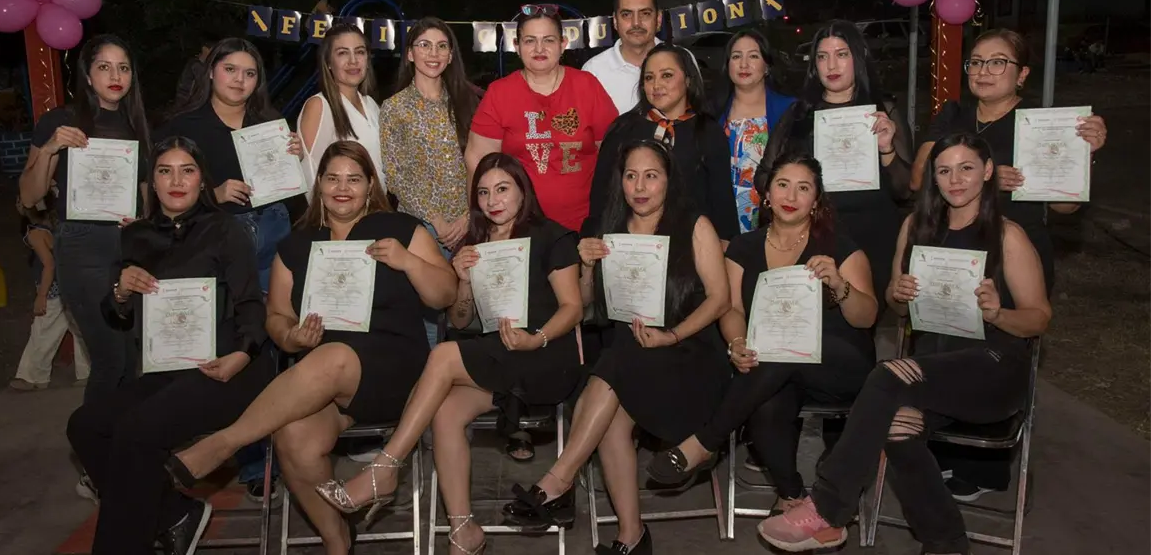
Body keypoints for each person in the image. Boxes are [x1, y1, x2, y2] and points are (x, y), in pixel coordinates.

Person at [756, 132, 1052, 555]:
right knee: (897, 426)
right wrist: (899, 291)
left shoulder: (1008, 236)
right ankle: (946, 543)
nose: (955, 179)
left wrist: (998, 313)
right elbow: (895, 305)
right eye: (944, 170)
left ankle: (827, 508)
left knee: (886, 376)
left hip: (992, 369)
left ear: (987, 172)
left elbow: (1039, 317)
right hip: (930, 371)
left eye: (966, 168)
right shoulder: (916, 228)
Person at [164, 141, 457, 555]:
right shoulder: (297, 245)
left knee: (334, 356)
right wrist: (291, 337)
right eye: (333, 178)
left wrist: (410, 262)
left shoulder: (401, 228)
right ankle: (338, 541)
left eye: (354, 179)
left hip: (396, 372)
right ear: (318, 184)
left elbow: (445, 295)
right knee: (293, 438)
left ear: (370, 184)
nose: (343, 188)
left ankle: (223, 443)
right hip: (322, 383)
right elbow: (277, 317)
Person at [315, 152, 584, 554]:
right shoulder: (477, 244)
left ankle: (385, 468)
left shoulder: (552, 236)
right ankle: (464, 531)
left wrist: (536, 338)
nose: (493, 200)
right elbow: (460, 320)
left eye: (503, 189)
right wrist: (461, 280)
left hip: (546, 356)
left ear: (522, 190)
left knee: (442, 356)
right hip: (499, 359)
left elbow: (573, 308)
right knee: (444, 410)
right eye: (483, 192)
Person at [504, 140, 731, 555]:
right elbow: (589, 304)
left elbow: (721, 299)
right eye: (631, 176)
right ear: (620, 182)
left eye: (651, 175)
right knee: (613, 396)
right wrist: (587, 266)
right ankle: (631, 538)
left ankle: (558, 480)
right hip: (633, 359)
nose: (639, 186)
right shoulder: (608, 225)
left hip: (690, 355)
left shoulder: (693, 224)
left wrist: (672, 335)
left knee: (614, 362)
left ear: (668, 180)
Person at [909, 28, 1107, 501]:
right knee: (940, 343)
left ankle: (985, 465)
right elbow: (919, 178)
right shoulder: (952, 115)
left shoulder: (1045, 125)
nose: (983, 71)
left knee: (996, 351)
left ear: (1022, 74)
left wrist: (1084, 158)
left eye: (998, 62)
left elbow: (1065, 210)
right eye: (976, 62)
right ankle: (937, 448)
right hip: (954, 248)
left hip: (1015, 254)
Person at [65, 136, 277, 555]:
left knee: (136, 431)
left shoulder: (225, 230)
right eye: (165, 171)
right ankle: (171, 514)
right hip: (169, 369)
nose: (176, 180)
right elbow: (116, 317)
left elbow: (252, 303)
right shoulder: (136, 237)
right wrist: (121, 292)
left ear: (202, 181)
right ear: (152, 183)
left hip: (230, 367)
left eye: (187, 170)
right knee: (85, 425)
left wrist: (241, 354)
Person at [645, 154, 877, 507]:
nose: (791, 195)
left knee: (776, 352)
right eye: (783, 184)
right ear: (767, 194)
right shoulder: (744, 247)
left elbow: (867, 318)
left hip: (838, 363)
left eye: (804, 188)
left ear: (816, 200)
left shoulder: (839, 246)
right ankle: (792, 498)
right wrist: (737, 342)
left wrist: (839, 284)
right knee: (766, 409)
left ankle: (705, 441)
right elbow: (733, 309)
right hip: (773, 369)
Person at [18, 34, 149, 406]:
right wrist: (49, 149)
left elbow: (144, 198)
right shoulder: (60, 122)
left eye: (123, 67)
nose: (115, 75)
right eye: (104, 66)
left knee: (130, 358)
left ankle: (121, 443)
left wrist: (142, 226)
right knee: (109, 358)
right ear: (88, 75)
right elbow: (29, 197)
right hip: (82, 247)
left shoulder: (137, 125)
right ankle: (96, 450)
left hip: (128, 248)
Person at [759, 20, 913, 307]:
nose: (832, 65)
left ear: (858, 58)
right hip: (815, 232)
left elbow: (905, 190)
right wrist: (796, 183)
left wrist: (887, 149)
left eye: (842, 54)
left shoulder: (883, 110)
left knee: (865, 317)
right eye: (822, 56)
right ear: (814, 65)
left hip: (873, 232)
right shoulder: (799, 114)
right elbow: (764, 176)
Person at [158, 37, 302, 293]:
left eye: (249, 73)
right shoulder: (183, 127)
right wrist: (214, 195)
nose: (239, 80)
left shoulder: (271, 124)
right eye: (230, 69)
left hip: (275, 228)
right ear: (211, 71)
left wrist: (296, 160)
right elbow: (161, 194)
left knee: (274, 317)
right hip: (217, 235)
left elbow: (293, 192)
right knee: (227, 321)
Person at [466, 5, 619, 233]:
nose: (539, 48)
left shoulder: (587, 86)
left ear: (563, 44)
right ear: (516, 46)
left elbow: (613, 154)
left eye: (548, 40)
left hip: (585, 225)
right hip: (519, 227)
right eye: (529, 41)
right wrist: (480, 220)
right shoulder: (499, 93)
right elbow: (477, 160)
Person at [381, 16, 477, 346]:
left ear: (451, 55)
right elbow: (393, 174)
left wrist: (467, 217)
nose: (432, 53)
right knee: (425, 318)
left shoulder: (469, 103)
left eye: (441, 46)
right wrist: (434, 219)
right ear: (409, 54)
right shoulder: (394, 108)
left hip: (469, 227)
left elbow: (481, 164)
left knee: (467, 318)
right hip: (420, 230)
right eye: (424, 45)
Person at [587, 44, 739, 242]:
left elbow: (722, 202)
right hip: (629, 247)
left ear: (688, 80)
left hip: (693, 248)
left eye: (666, 75)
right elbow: (601, 196)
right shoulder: (623, 129)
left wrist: (726, 250)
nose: (656, 85)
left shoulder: (708, 131)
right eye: (649, 77)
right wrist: (591, 240)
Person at [713, 29, 796, 233]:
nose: (744, 64)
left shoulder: (791, 110)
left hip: (774, 216)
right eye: (736, 56)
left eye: (753, 56)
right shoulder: (712, 113)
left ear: (766, 65)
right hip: (724, 218)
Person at [9, 197, 91, 391]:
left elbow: (49, 265)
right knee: (78, 330)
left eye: (19, 201)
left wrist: (42, 295)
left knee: (42, 330)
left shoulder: (35, 234)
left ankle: (33, 377)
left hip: (54, 290)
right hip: (70, 285)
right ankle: (87, 372)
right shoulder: (54, 228)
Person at [299, 21, 385, 196]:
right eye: (342, 53)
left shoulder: (372, 105)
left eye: (360, 52)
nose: (353, 61)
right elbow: (310, 173)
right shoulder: (319, 105)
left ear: (368, 60)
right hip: (341, 216)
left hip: (376, 212)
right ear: (329, 62)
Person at [583, 0, 663, 113]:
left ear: (658, 19)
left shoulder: (681, 60)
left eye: (645, 13)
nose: (636, 23)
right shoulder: (593, 71)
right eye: (627, 14)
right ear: (615, 21)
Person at [174, 34, 219, 110]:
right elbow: (204, 81)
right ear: (204, 49)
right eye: (212, 50)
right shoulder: (195, 64)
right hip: (186, 102)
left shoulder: (202, 65)